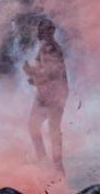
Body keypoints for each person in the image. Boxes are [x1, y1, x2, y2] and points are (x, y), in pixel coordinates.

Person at [23, 17, 68, 175]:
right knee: (37, 127)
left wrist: (32, 71)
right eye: (42, 29)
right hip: (46, 95)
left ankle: (55, 167)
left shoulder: (50, 48)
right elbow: (48, 72)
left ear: (51, 31)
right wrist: (34, 79)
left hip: (54, 96)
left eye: (47, 29)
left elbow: (52, 72)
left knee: (51, 130)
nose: (43, 32)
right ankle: (48, 164)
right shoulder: (46, 47)